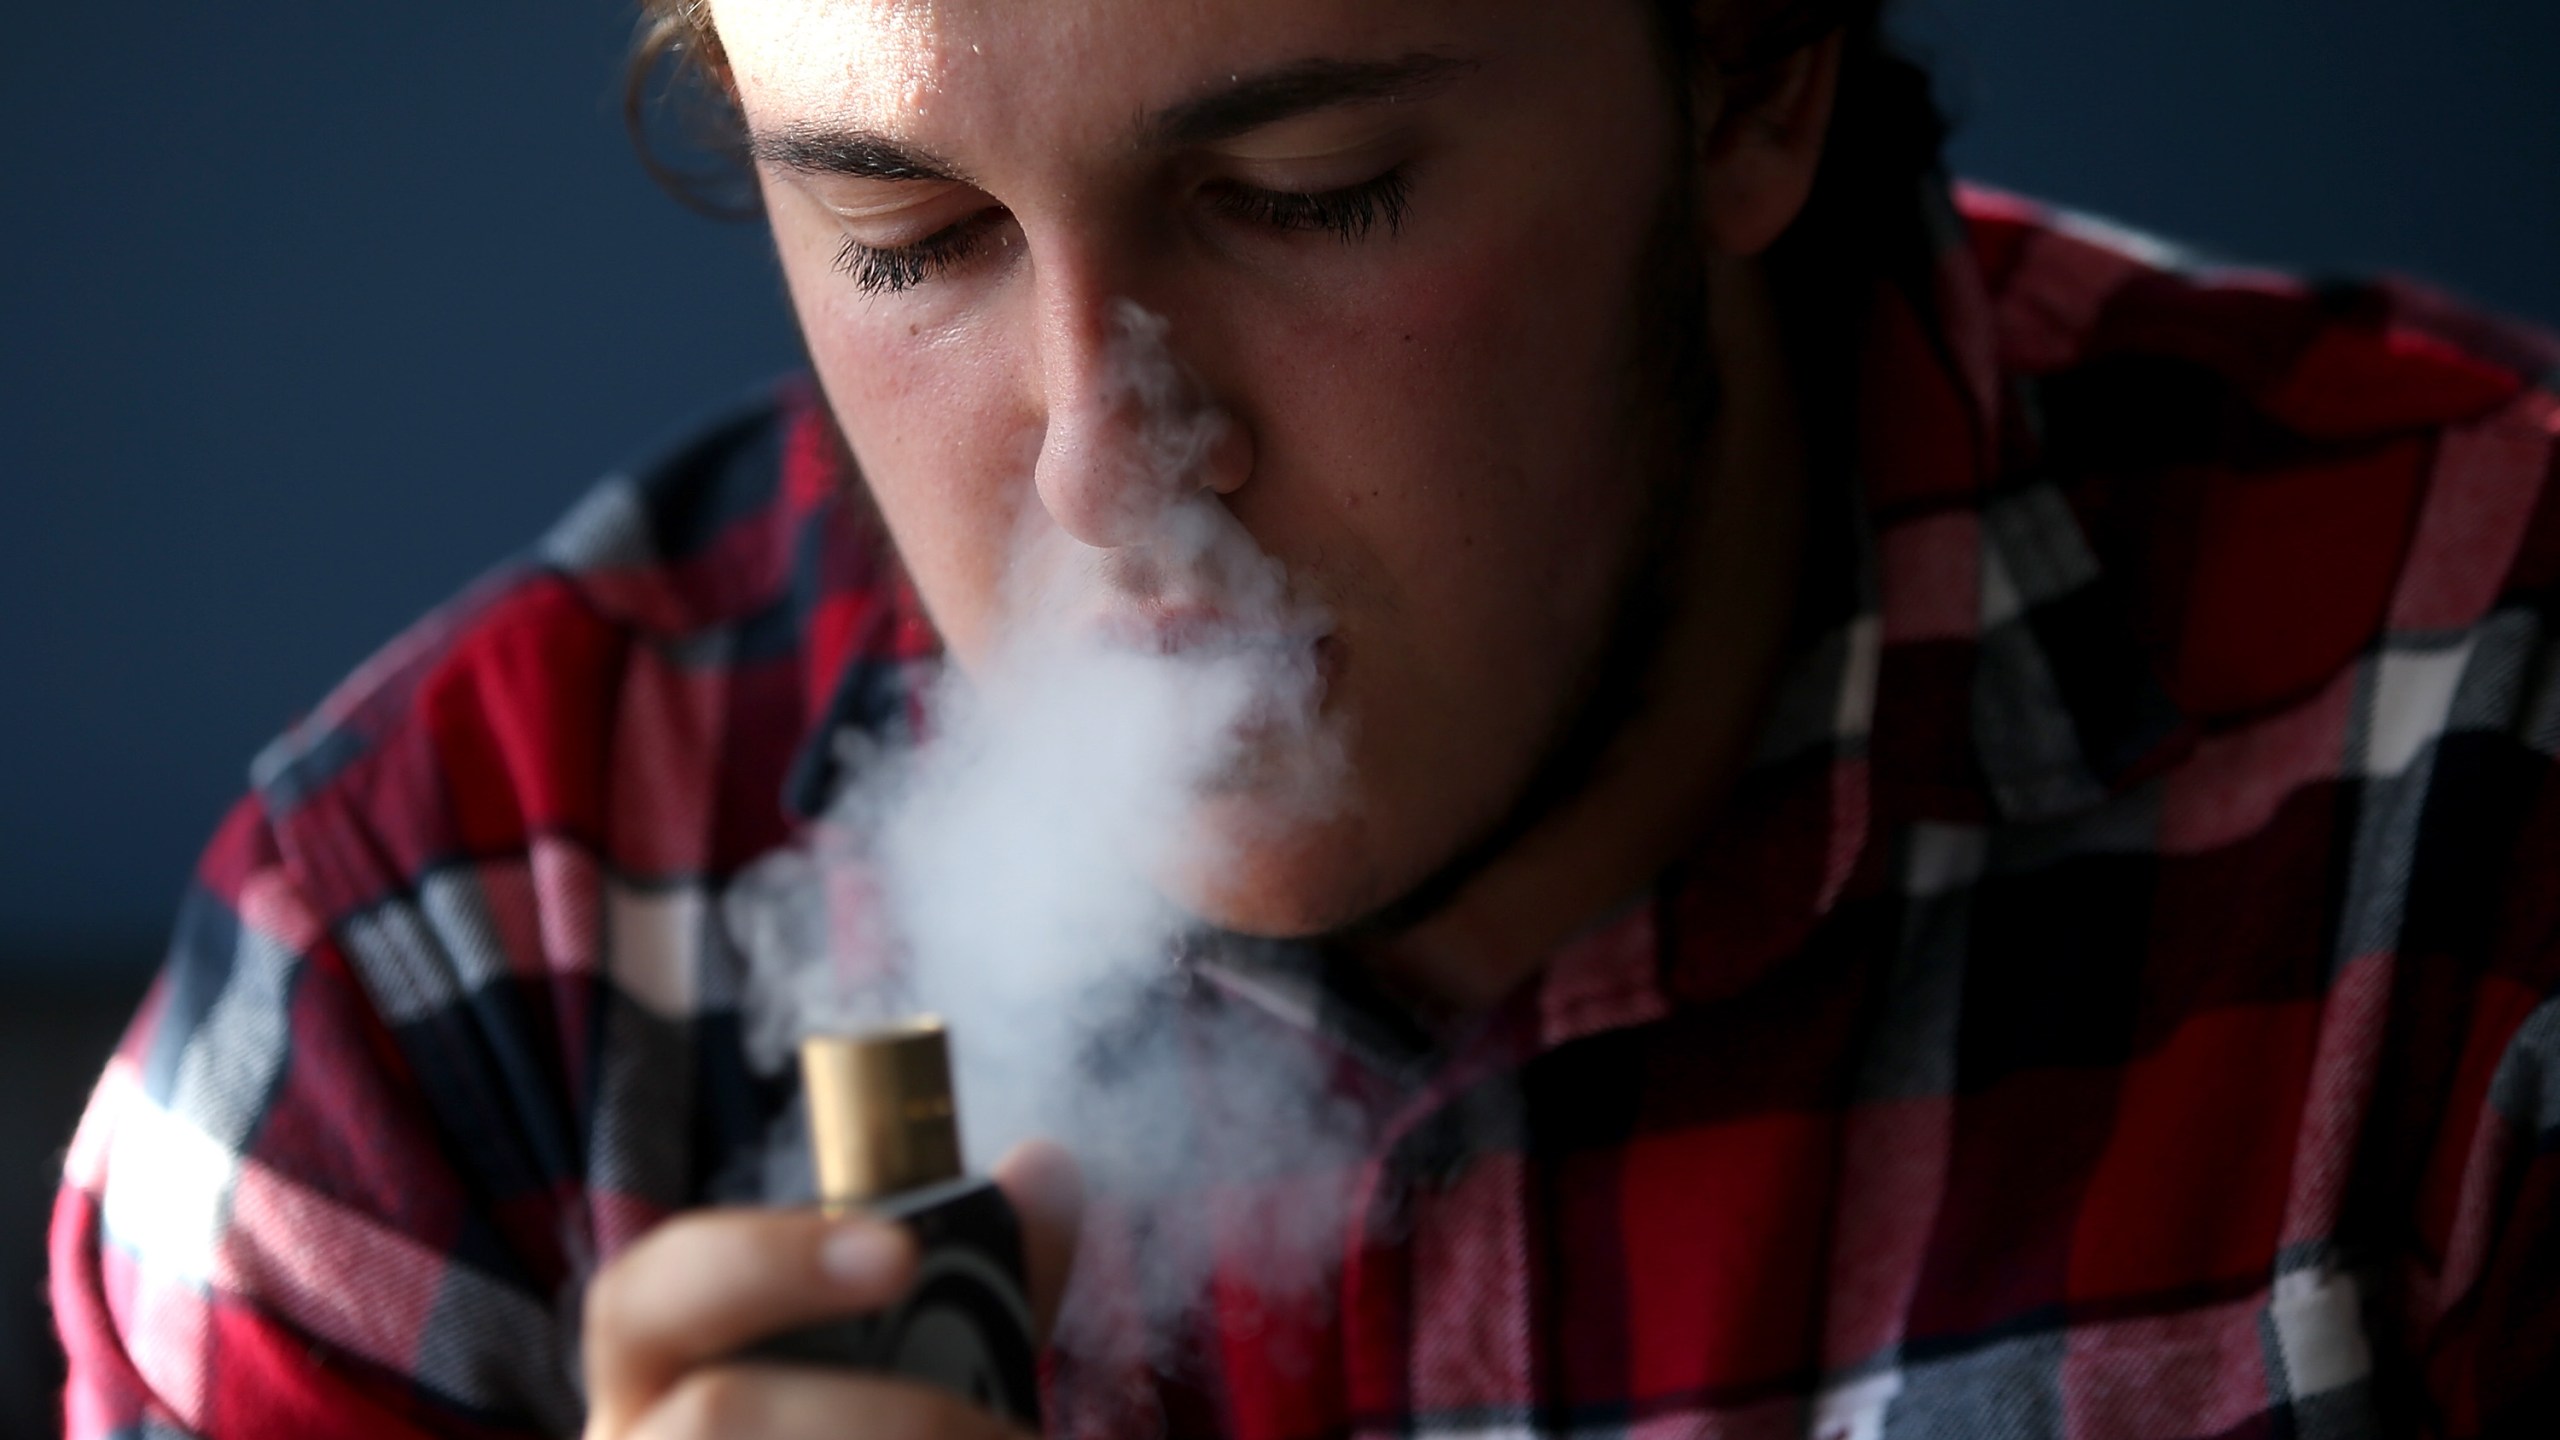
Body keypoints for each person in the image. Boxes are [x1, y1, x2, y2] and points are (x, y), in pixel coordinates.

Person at [49, 0, 2560, 1435]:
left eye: (1311, 190)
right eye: (904, 236)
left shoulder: (2477, 751)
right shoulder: (424, 982)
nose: (1109, 471)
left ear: (1752, 72)